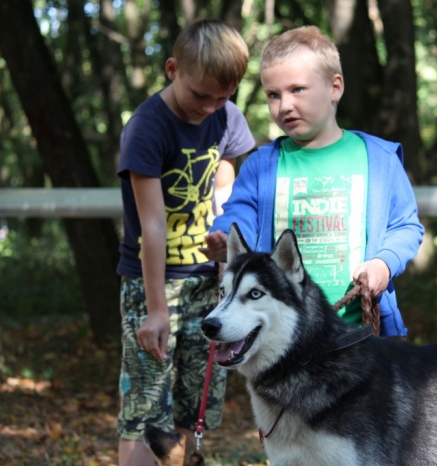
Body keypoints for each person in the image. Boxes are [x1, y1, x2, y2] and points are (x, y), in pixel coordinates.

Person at [200, 26, 423, 337]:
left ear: (335, 87)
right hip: (285, 341)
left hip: (359, 333)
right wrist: (225, 238)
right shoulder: (261, 165)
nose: (285, 105)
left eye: (298, 90)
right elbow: (241, 215)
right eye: (273, 95)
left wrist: (383, 265)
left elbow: (405, 227)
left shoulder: (379, 159)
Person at [115, 19, 255, 466]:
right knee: (146, 409)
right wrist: (156, 310)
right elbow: (151, 225)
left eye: (223, 97)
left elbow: (226, 176)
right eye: (201, 95)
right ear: (173, 69)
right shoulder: (148, 127)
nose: (211, 108)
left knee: (193, 407)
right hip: (152, 282)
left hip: (206, 284)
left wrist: (223, 234)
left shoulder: (226, 116)